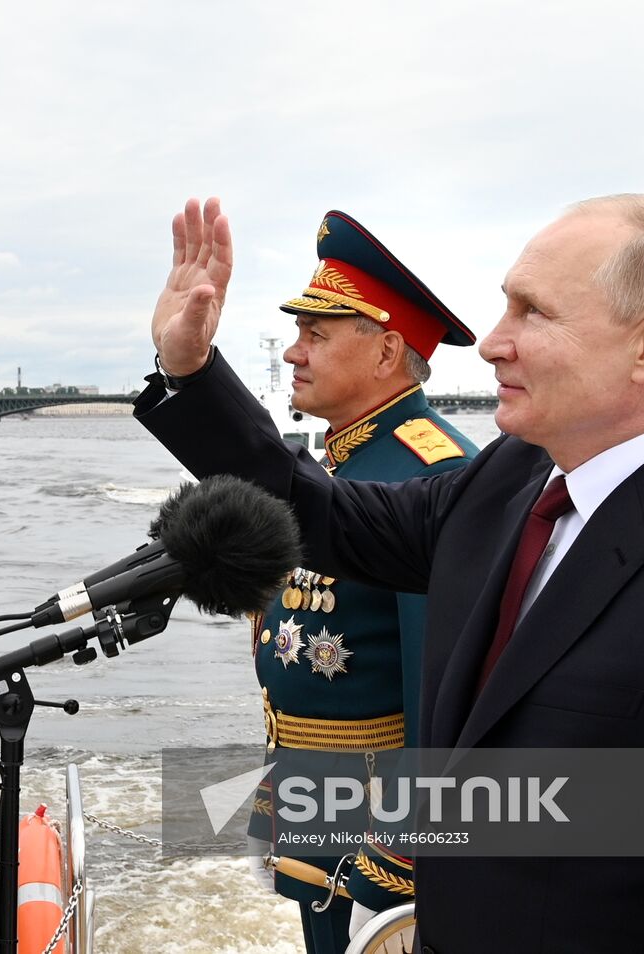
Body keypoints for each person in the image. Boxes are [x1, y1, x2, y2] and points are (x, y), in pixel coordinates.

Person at [137, 195, 644, 951]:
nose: (492, 343)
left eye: (532, 312)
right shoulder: (507, 482)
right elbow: (315, 510)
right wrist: (189, 369)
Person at [240, 211, 478, 952]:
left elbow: (438, 692)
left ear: (385, 352)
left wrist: (403, 850)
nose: (293, 351)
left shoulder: (433, 472)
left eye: (317, 333)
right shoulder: (340, 466)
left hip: (377, 834)